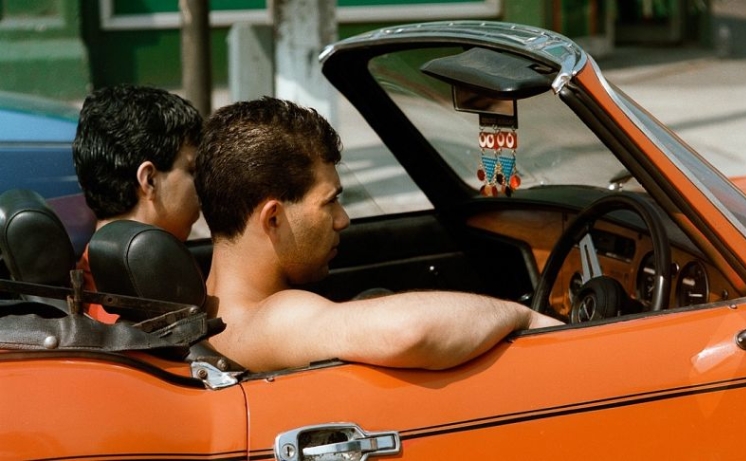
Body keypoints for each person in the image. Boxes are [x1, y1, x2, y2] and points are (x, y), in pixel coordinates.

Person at [195, 97, 562, 372]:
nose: (343, 220)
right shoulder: (271, 318)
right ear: (274, 219)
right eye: (330, 202)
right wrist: (523, 317)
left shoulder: (205, 303)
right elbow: (409, 332)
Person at [72, 84, 203, 323]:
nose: (202, 184)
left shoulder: (91, 275)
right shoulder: (137, 306)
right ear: (149, 180)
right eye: (191, 170)